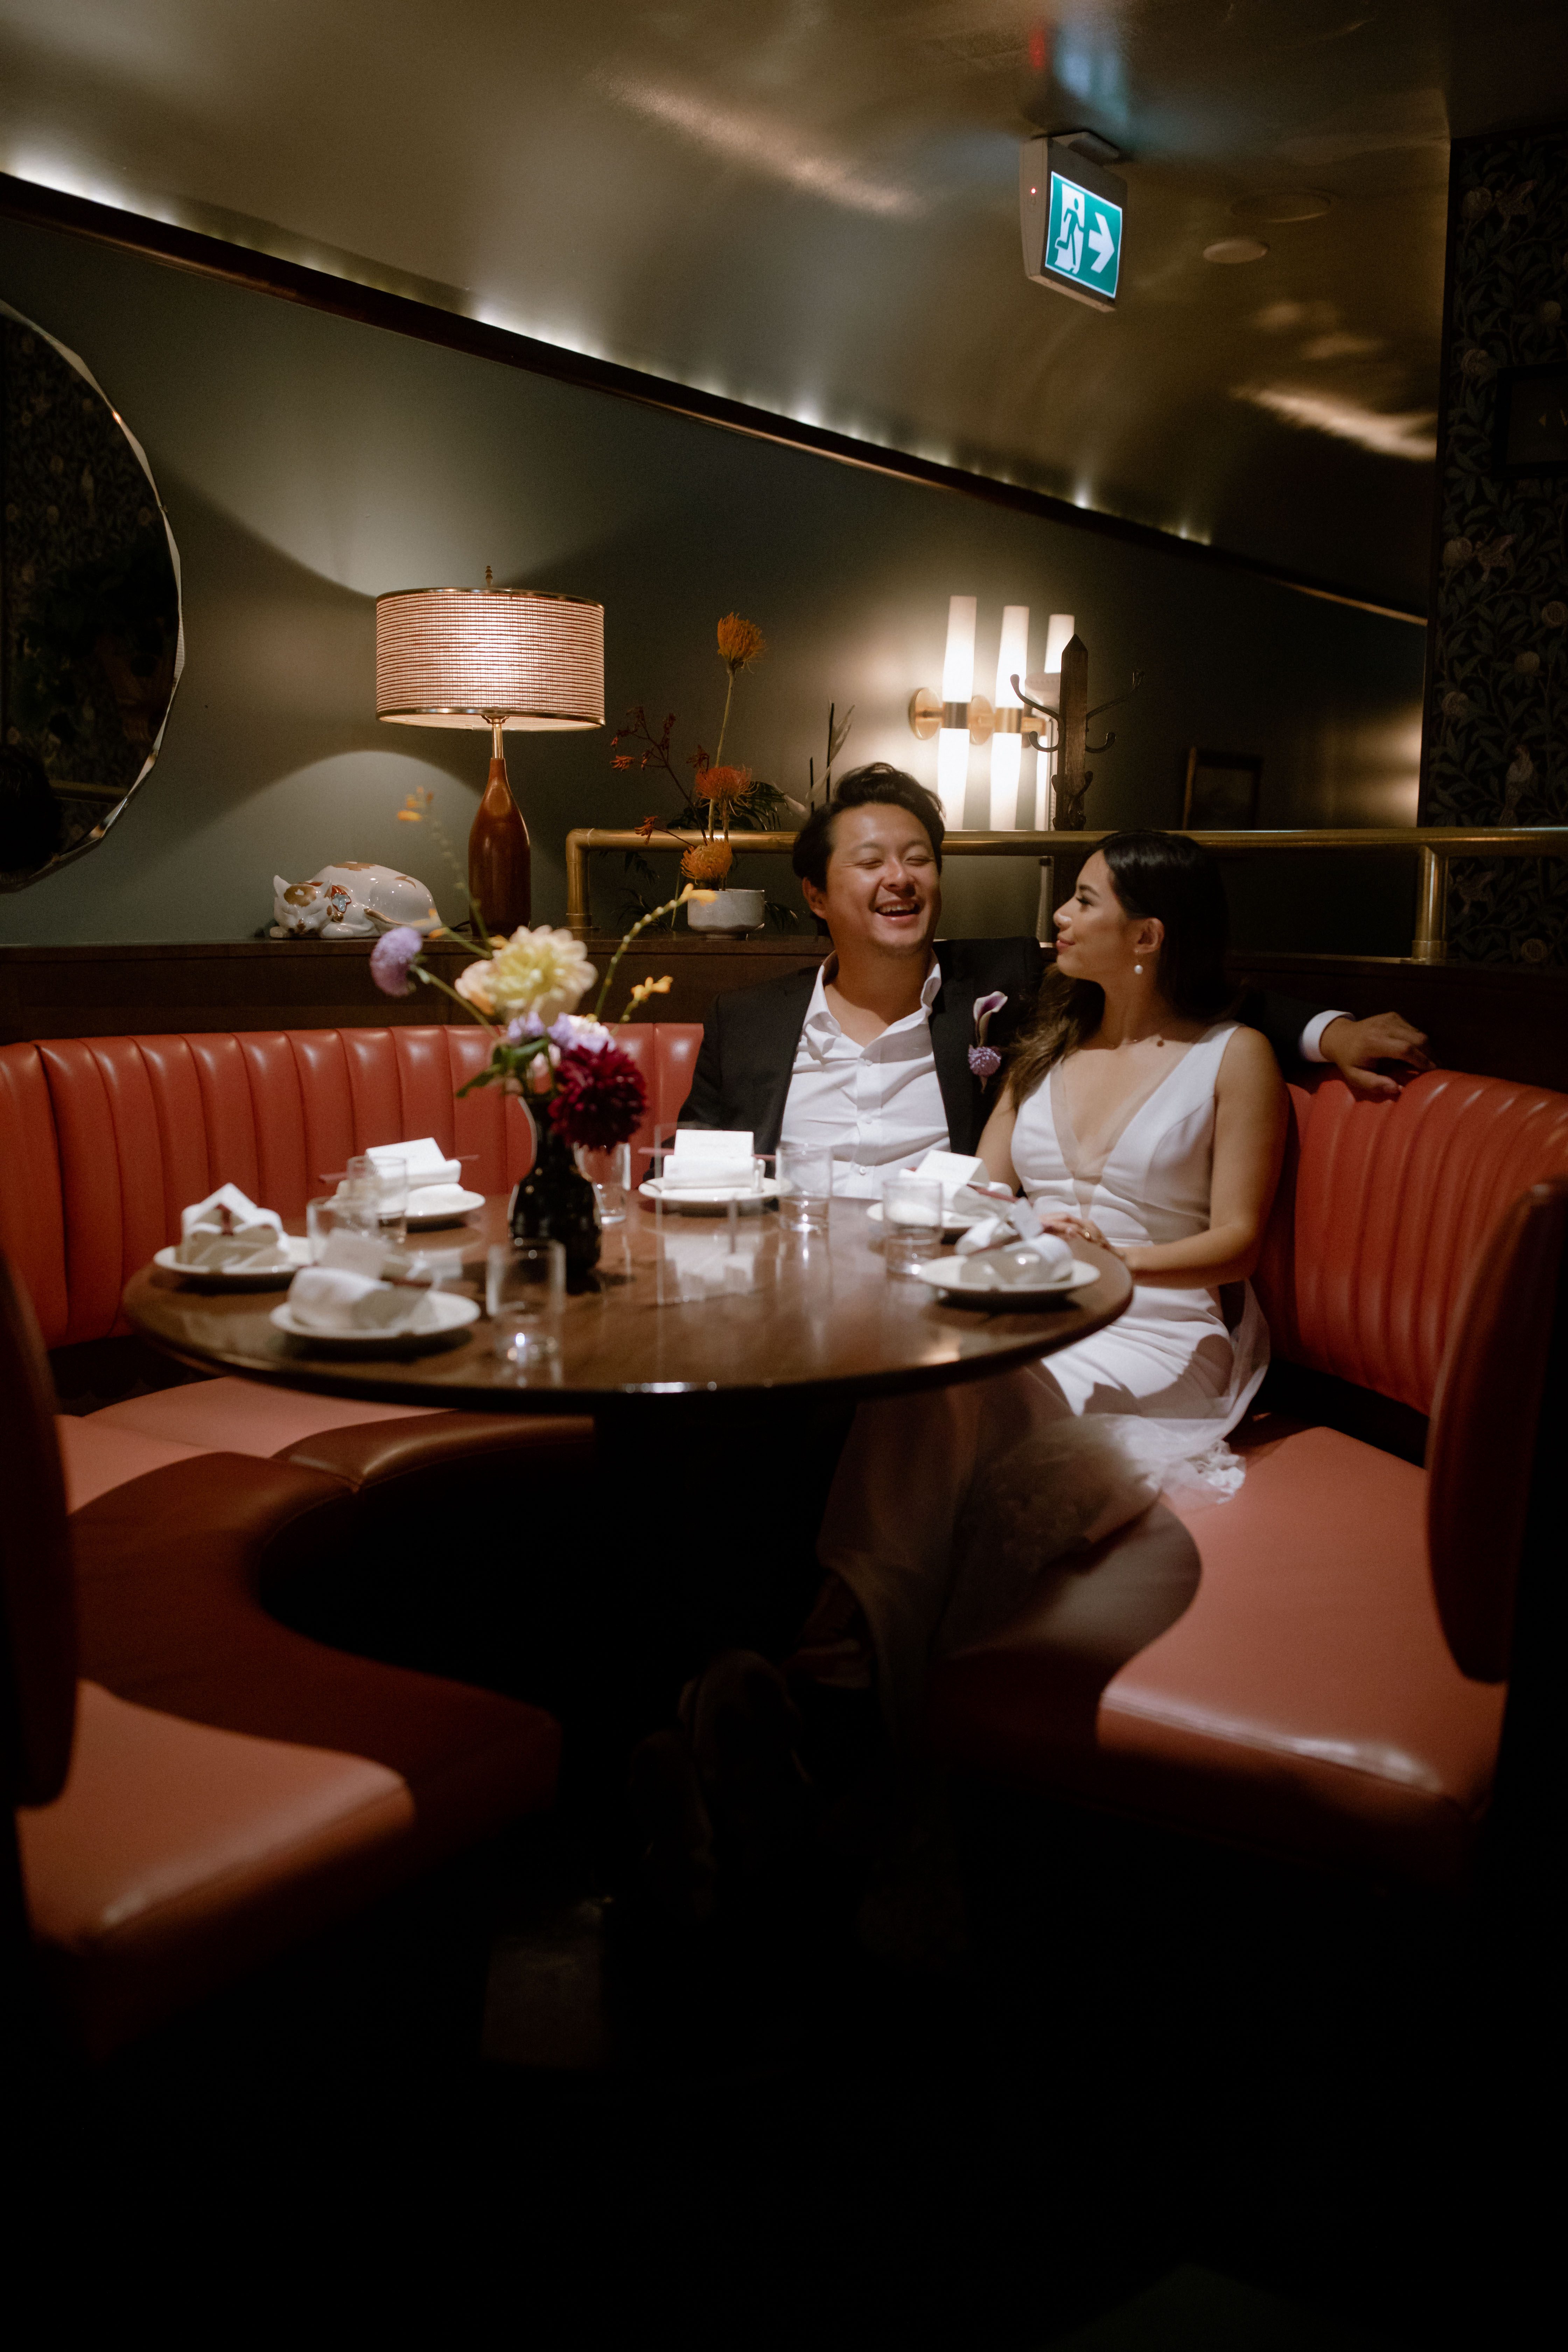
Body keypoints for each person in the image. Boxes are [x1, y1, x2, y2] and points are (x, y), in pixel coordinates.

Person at [806, 830, 1288, 1741]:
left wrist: (1114, 1261)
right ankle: (856, 1620)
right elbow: (985, 1188)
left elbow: (1238, 1246)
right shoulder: (1045, 1049)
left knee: (981, 1393)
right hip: (1029, 1304)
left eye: (1084, 901)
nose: (1060, 918)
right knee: (918, 1380)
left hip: (1160, 1327)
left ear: (1147, 936)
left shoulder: (1235, 1058)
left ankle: (860, 1655)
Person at [679, 763, 1431, 1188]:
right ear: (815, 895)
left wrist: (1330, 1033)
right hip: (780, 1285)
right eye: (870, 862)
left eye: (917, 859)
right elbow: (690, 1172)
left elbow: (1168, 985)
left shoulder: (1000, 983)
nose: (900, 880)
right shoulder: (746, 1021)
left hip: (934, 1286)